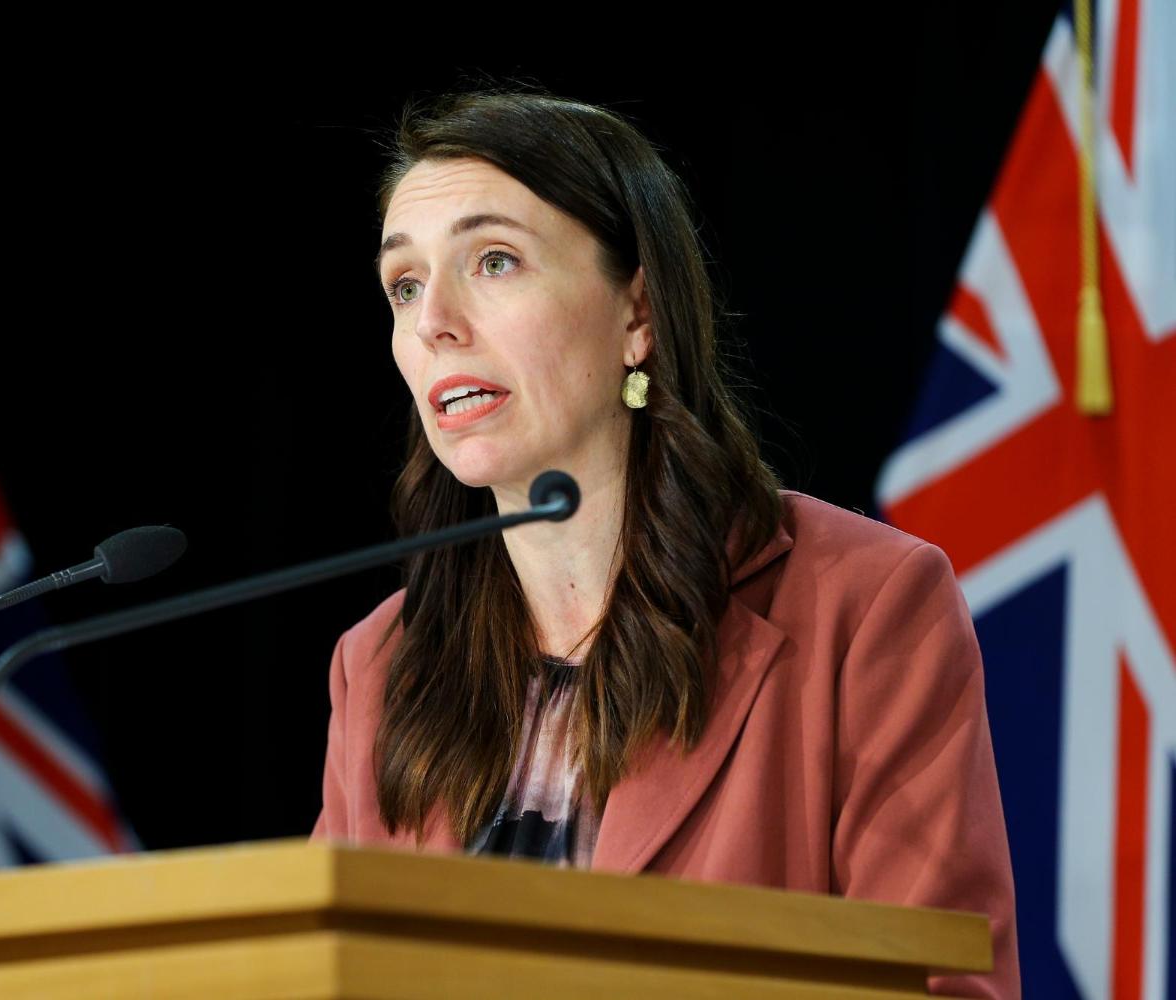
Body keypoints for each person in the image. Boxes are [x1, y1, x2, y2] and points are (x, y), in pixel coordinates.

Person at [310, 88, 1019, 999]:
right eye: (404, 284)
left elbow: (943, 984)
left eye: (493, 261)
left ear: (637, 313)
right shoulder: (379, 666)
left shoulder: (866, 607)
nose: (432, 321)